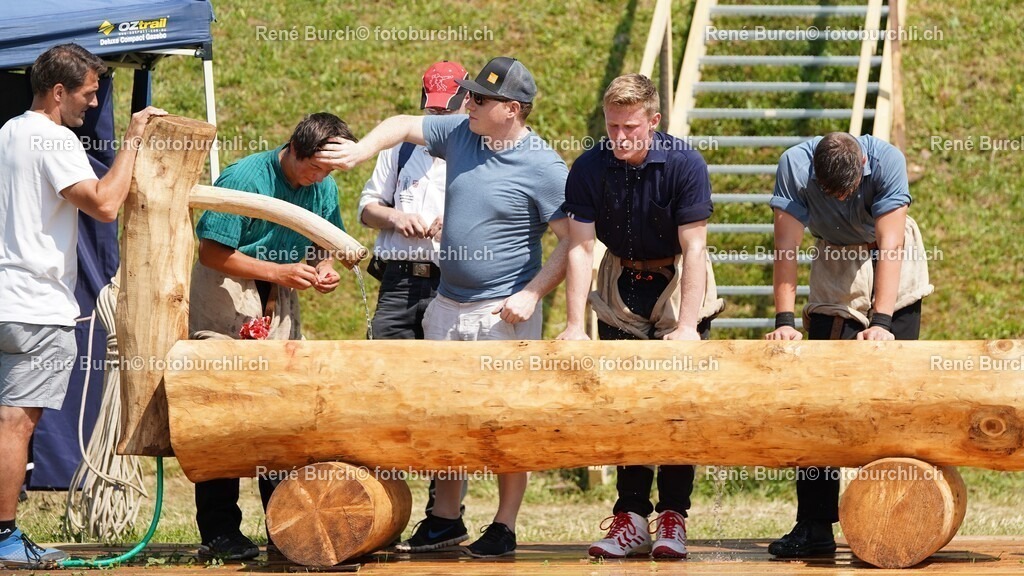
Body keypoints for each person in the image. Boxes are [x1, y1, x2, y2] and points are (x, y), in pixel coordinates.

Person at [316, 56, 569, 558]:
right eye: (468, 95)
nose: (467, 103)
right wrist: (360, 151)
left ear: (513, 110)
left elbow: (574, 242)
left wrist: (533, 293)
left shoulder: (544, 166)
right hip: (446, 305)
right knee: (445, 417)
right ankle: (445, 519)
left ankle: (504, 524)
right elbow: (399, 125)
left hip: (503, 311)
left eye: (478, 98)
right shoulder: (461, 132)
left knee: (502, 420)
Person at [0, 43, 165, 567]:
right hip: (37, 306)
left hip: (6, 300)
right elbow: (105, 203)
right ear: (57, 92)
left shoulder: (8, 131)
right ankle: (4, 537)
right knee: (14, 424)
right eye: (88, 94)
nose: (93, 105)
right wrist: (134, 141)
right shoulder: (56, 139)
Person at [555, 74, 724, 559]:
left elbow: (695, 249)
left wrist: (689, 327)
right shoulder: (589, 167)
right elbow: (582, 247)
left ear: (654, 120)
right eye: (612, 127)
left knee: (678, 404)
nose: (620, 138)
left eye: (631, 126)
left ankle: (673, 516)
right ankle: (630, 517)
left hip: (679, 279)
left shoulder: (686, 163)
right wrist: (573, 326)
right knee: (624, 402)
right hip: (621, 278)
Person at [188, 112, 355, 561]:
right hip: (226, 286)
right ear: (295, 149)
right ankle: (220, 531)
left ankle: (284, 524)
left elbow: (327, 244)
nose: (320, 178)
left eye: (329, 170)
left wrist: (324, 270)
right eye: (315, 167)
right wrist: (277, 270)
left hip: (277, 293)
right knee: (222, 412)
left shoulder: (324, 184)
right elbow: (211, 253)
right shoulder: (244, 177)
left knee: (280, 410)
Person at [764, 132, 932, 557]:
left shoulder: (888, 160)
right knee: (818, 402)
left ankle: (896, 520)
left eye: (848, 190)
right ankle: (814, 523)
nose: (839, 197)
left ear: (862, 166)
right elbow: (786, 246)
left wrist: (881, 323)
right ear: (816, 178)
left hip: (889, 259)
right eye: (831, 192)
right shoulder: (794, 166)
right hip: (834, 261)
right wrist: (785, 322)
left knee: (894, 402)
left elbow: (890, 245)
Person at [358, 60, 469, 518]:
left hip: (451, 283)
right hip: (399, 281)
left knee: (445, 396)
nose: (438, 117)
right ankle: (379, 502)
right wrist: (396, 218)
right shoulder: (400, 148)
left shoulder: (477, 152)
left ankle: (443, 512)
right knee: (383, 387)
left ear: (467, 101)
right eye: (433, 107)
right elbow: (367, 207)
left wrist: (456, 225)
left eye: (448, 108)